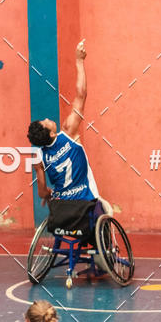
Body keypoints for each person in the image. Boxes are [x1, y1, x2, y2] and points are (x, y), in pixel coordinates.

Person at [27, 40, 99, 204]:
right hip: (86, 201)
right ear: (52, 132)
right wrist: (79, 61)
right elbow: (81, 94)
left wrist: (48, 194)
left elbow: (42, 192)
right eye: (46, 122)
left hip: (63, 207)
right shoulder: (68, 132)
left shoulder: (38, 156)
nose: (47, 118)